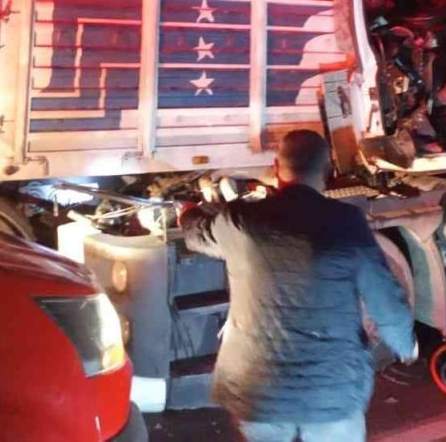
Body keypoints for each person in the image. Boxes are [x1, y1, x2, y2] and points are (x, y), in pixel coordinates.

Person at [179, 129, 418, 442]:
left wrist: (187, 213)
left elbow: (196, 234)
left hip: (259, 392)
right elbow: (385, 300)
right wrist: (405, 345)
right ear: (328, 173)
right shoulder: (346, 223)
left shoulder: (241, 220)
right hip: (332, 391)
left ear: (276, 168)